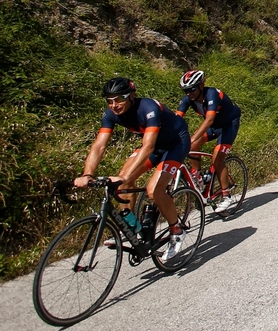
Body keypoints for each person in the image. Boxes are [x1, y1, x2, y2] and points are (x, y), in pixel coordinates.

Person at [75, 77, 191, 257]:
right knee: (122, 183)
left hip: (175, 144)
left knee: (154, 190)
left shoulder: (148, 108)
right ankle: (131, 228)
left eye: (119, 99)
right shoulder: (110, 114)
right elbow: (99, 145)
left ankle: (177, 230)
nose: (114, 105)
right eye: (110, 100)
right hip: (155, 146)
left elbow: (148, 146)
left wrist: (126, 176)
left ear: (131, 96)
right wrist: (87, 174)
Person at [177, 69, 242, 210]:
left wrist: (192, 137)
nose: (189, 93)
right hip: (214, 126)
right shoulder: (188, 99)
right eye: (186, 90)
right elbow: (176, 119)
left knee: (217, 159)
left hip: (228, 125)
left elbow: (209, 120)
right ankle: (198, 176)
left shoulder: (212, 94)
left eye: (192, 89)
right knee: (192, 146)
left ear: (201, 85)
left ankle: (227, 196)